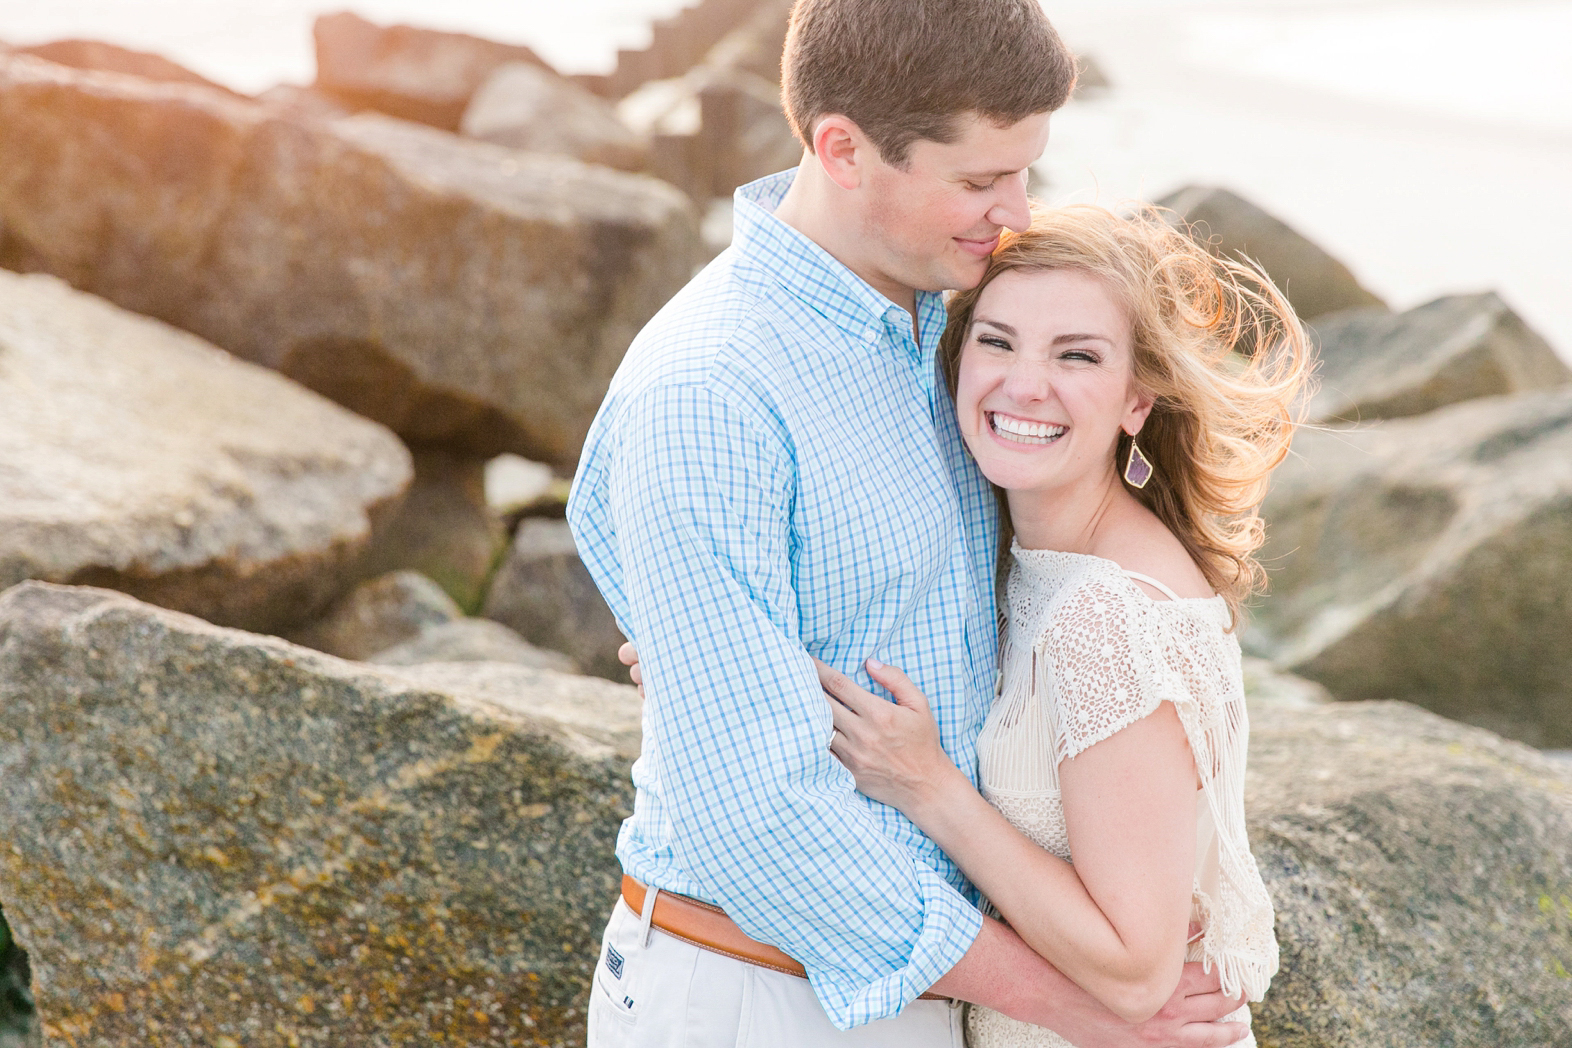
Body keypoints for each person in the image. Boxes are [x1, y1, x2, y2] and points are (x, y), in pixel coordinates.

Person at [568, 0, 1253, 1044]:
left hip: (929, 997)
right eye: (979, 181)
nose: (1014, 211)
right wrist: (1079, 1006)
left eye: (1026, 173)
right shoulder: (713, 386)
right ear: (840, 147)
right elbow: (757, 816)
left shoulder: (955, 324)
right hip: (762, 997)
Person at [811, 204, 1310, 1047]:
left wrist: (930, 787)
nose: (1025, 384)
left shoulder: (1106, 618)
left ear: (1136, 402)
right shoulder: (1030, 553)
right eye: (997, 342)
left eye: (1077, 356)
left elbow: (1136, 966)